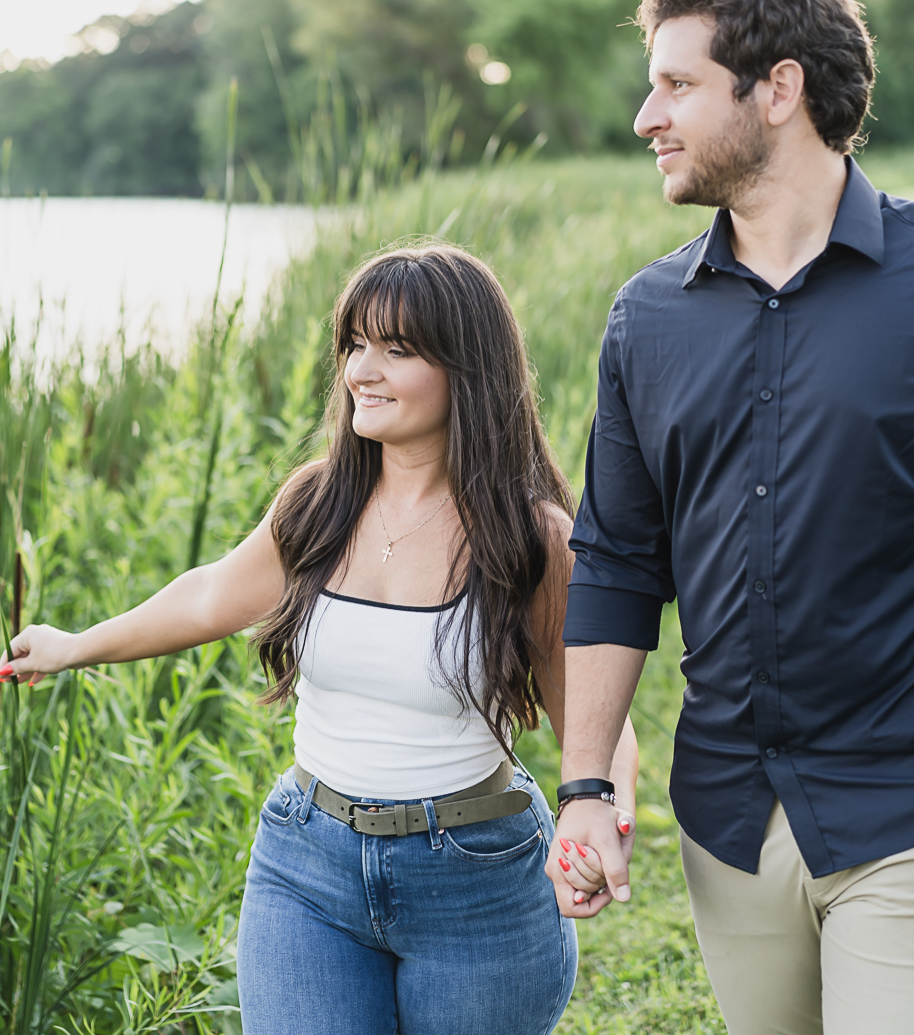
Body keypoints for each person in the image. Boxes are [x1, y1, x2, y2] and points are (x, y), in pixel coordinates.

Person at [1, 242, 638, 1035]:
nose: (360, 371)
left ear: (465, 369)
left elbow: (601, 714)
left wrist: (606, 820)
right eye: (355, 344)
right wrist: (73, 645)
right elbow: (210, 596)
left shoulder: (532, 537)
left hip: (477, 881)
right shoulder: (320, 500)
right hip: (308, 866)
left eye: (396, 349)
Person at [545, 0, 914, 1035]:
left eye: (675, 85)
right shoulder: (643, 318)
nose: (643, 118)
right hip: (727, 816)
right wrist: (584, 792)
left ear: (778, 91)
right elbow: (614, 561)